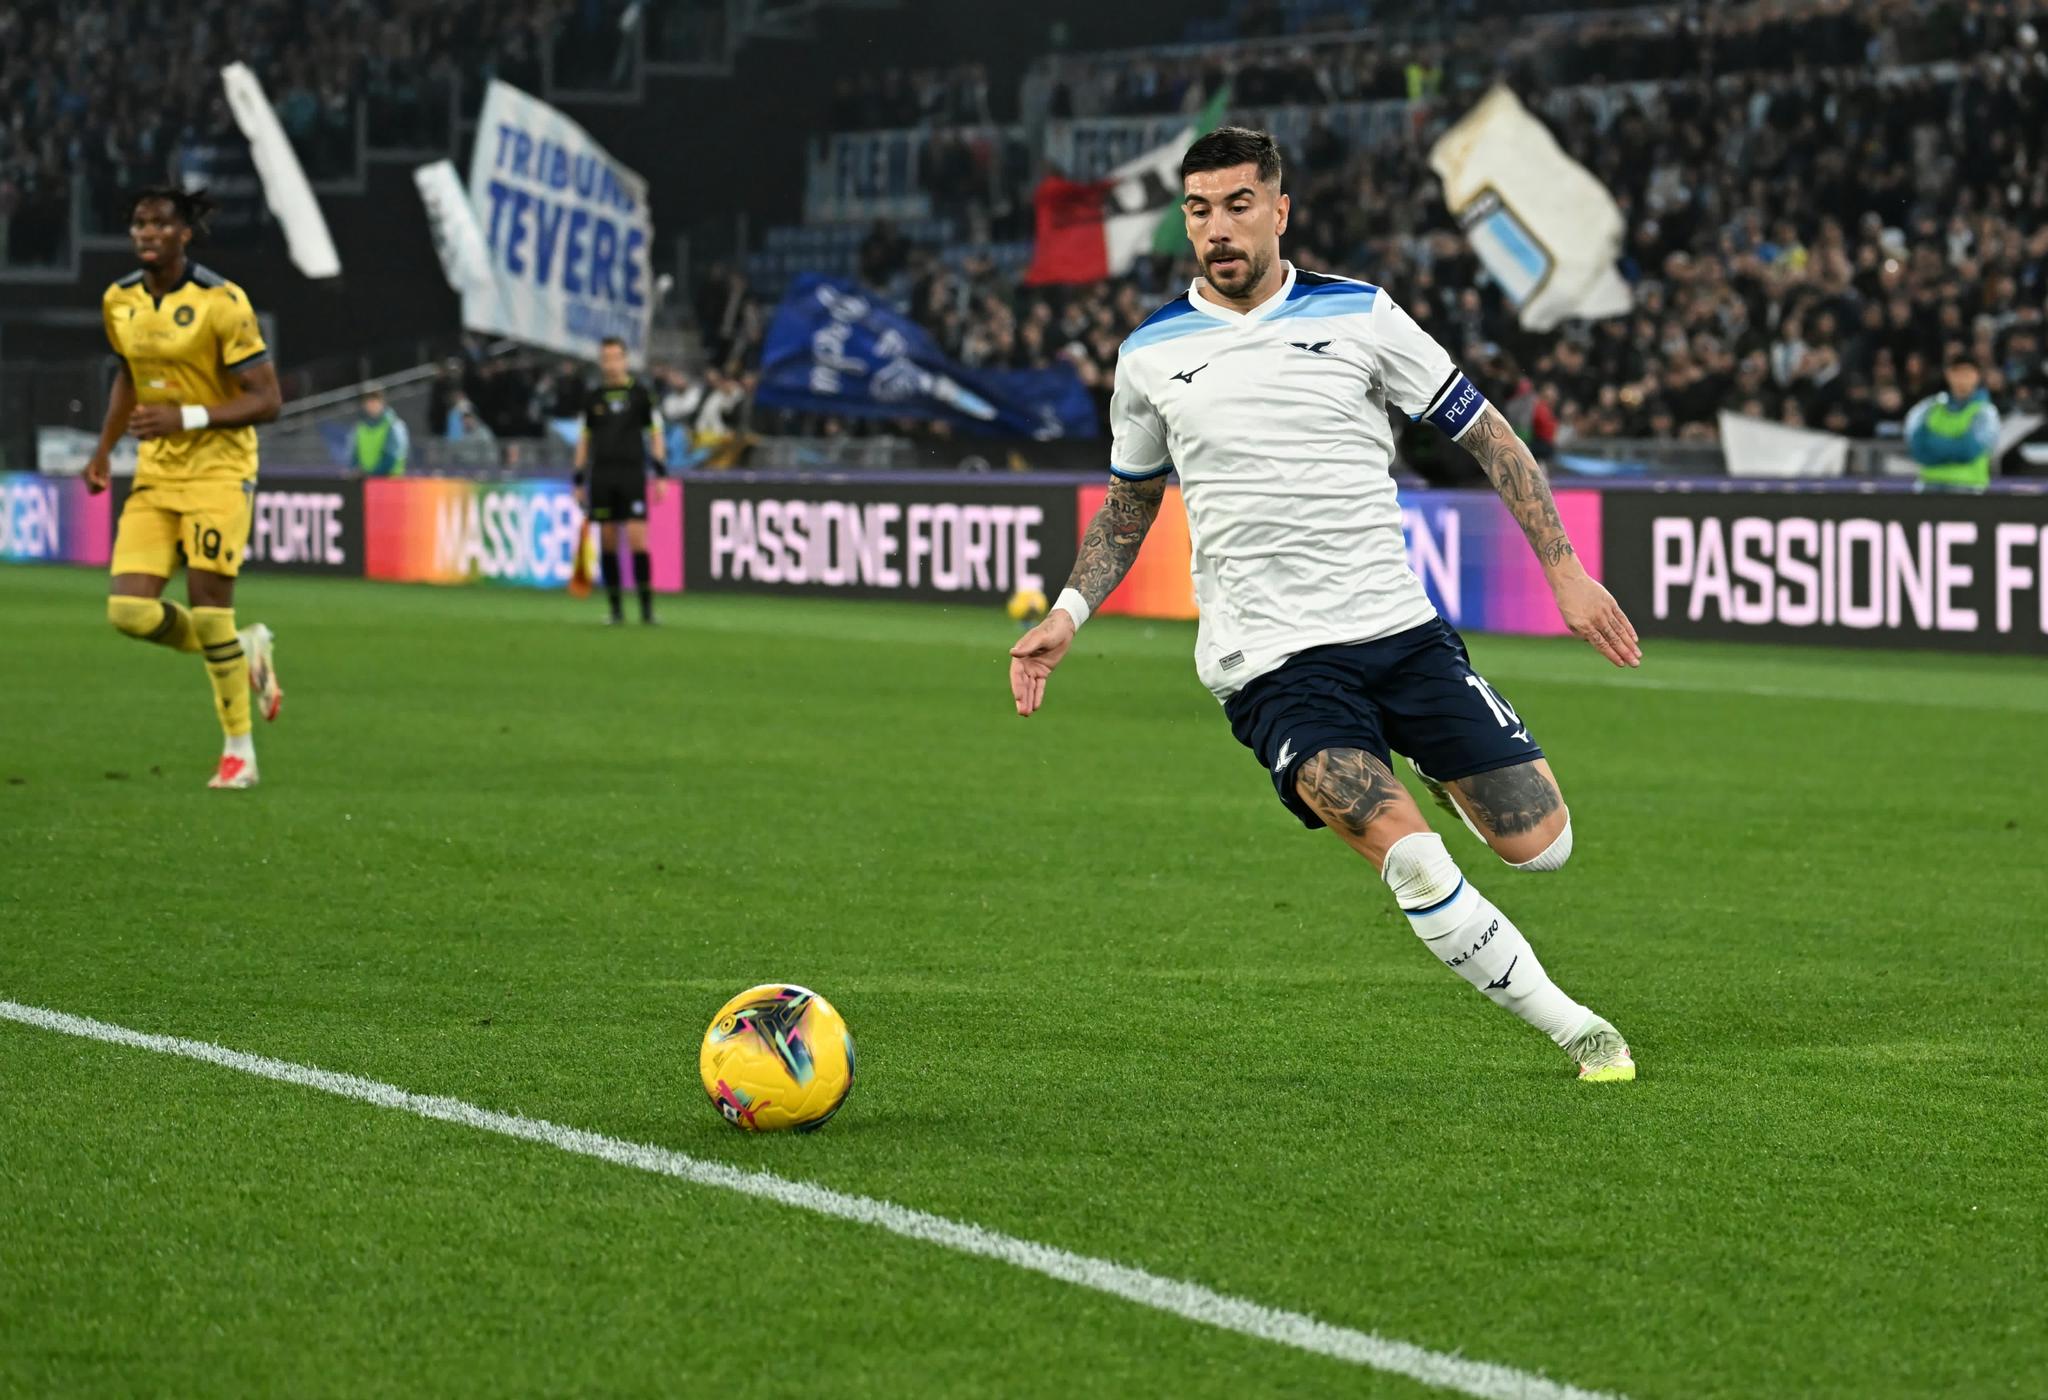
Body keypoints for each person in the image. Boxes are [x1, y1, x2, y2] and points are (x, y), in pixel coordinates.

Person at [1008, 128, 1644, 1081]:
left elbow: (1490, 436)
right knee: (1415, 861)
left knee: (1540, 845)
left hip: (1399, 631)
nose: (1217, 229)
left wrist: (1564, 572)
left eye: (1237, 205)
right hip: (1270, 664)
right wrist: (1068, 611)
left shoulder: (1363, 314)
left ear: (1279, 210)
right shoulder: (1148, 356)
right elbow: (1130, 505)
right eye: (1198, 210)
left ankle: (1434, 763)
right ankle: (1580, 1030)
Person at [84, 186, 285, 790]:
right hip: (157, 471)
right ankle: (242, 646)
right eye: (139, 224)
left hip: (220, 470)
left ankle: (238, 753)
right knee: (128, 612)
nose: (147, 233)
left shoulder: (222, 302)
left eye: (160, 224)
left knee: (207, 607)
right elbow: (129, 376)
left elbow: (268, 399)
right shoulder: (119, 300)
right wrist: (103, 449)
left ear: (184, 234)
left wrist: (187, 417)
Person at [573, 336, 668, 624]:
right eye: (606, 358)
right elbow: (584, 440)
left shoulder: (640, 395)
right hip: (602, 475)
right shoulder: (593, 398)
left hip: (631, 474)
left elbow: (655, 434)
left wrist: (660, 474)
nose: (611, 364)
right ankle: (616, 611)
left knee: (638, 540)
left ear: (625, 360)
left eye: (616, 357)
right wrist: (578, 479)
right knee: (608, 541)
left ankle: (647, 610)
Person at [1906, 354, 2000, 492]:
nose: (1962, 379)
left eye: (1967, 373)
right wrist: (1955, 444)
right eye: (1958, 373)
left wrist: (1933, 443)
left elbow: (1969, 450)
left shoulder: (1985, 412)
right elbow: (1918, 449)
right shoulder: (1928, 408)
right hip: (1929, 486)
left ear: (1977, 376)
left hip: (1969, 488)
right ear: (1948, 374)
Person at [349, 386, 410, 475]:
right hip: (367, 480)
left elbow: (393, 456)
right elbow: (354, 454)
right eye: (368, 401)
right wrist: (356, 469)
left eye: (375, 401)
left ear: (382, 402)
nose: (371, 405)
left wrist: (373, 474)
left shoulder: (393, 425)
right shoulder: (360, 427)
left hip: (389, 480)